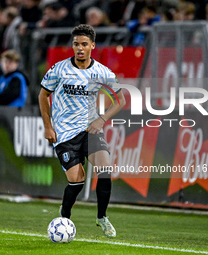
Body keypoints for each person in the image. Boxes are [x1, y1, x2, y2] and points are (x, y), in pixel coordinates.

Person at [38, 24, 126, 238]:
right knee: (76, 180)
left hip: (89, 129)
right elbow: (42, 96)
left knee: (105, 169)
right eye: (76, 44)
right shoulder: (59, 69)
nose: (79, 48)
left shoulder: (102, 72)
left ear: (92, 46)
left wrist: (101, 119)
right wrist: (48, 126)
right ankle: (64, 215)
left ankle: (102, 217)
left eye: (84, 44)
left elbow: (121, 100)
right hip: (64, 134)